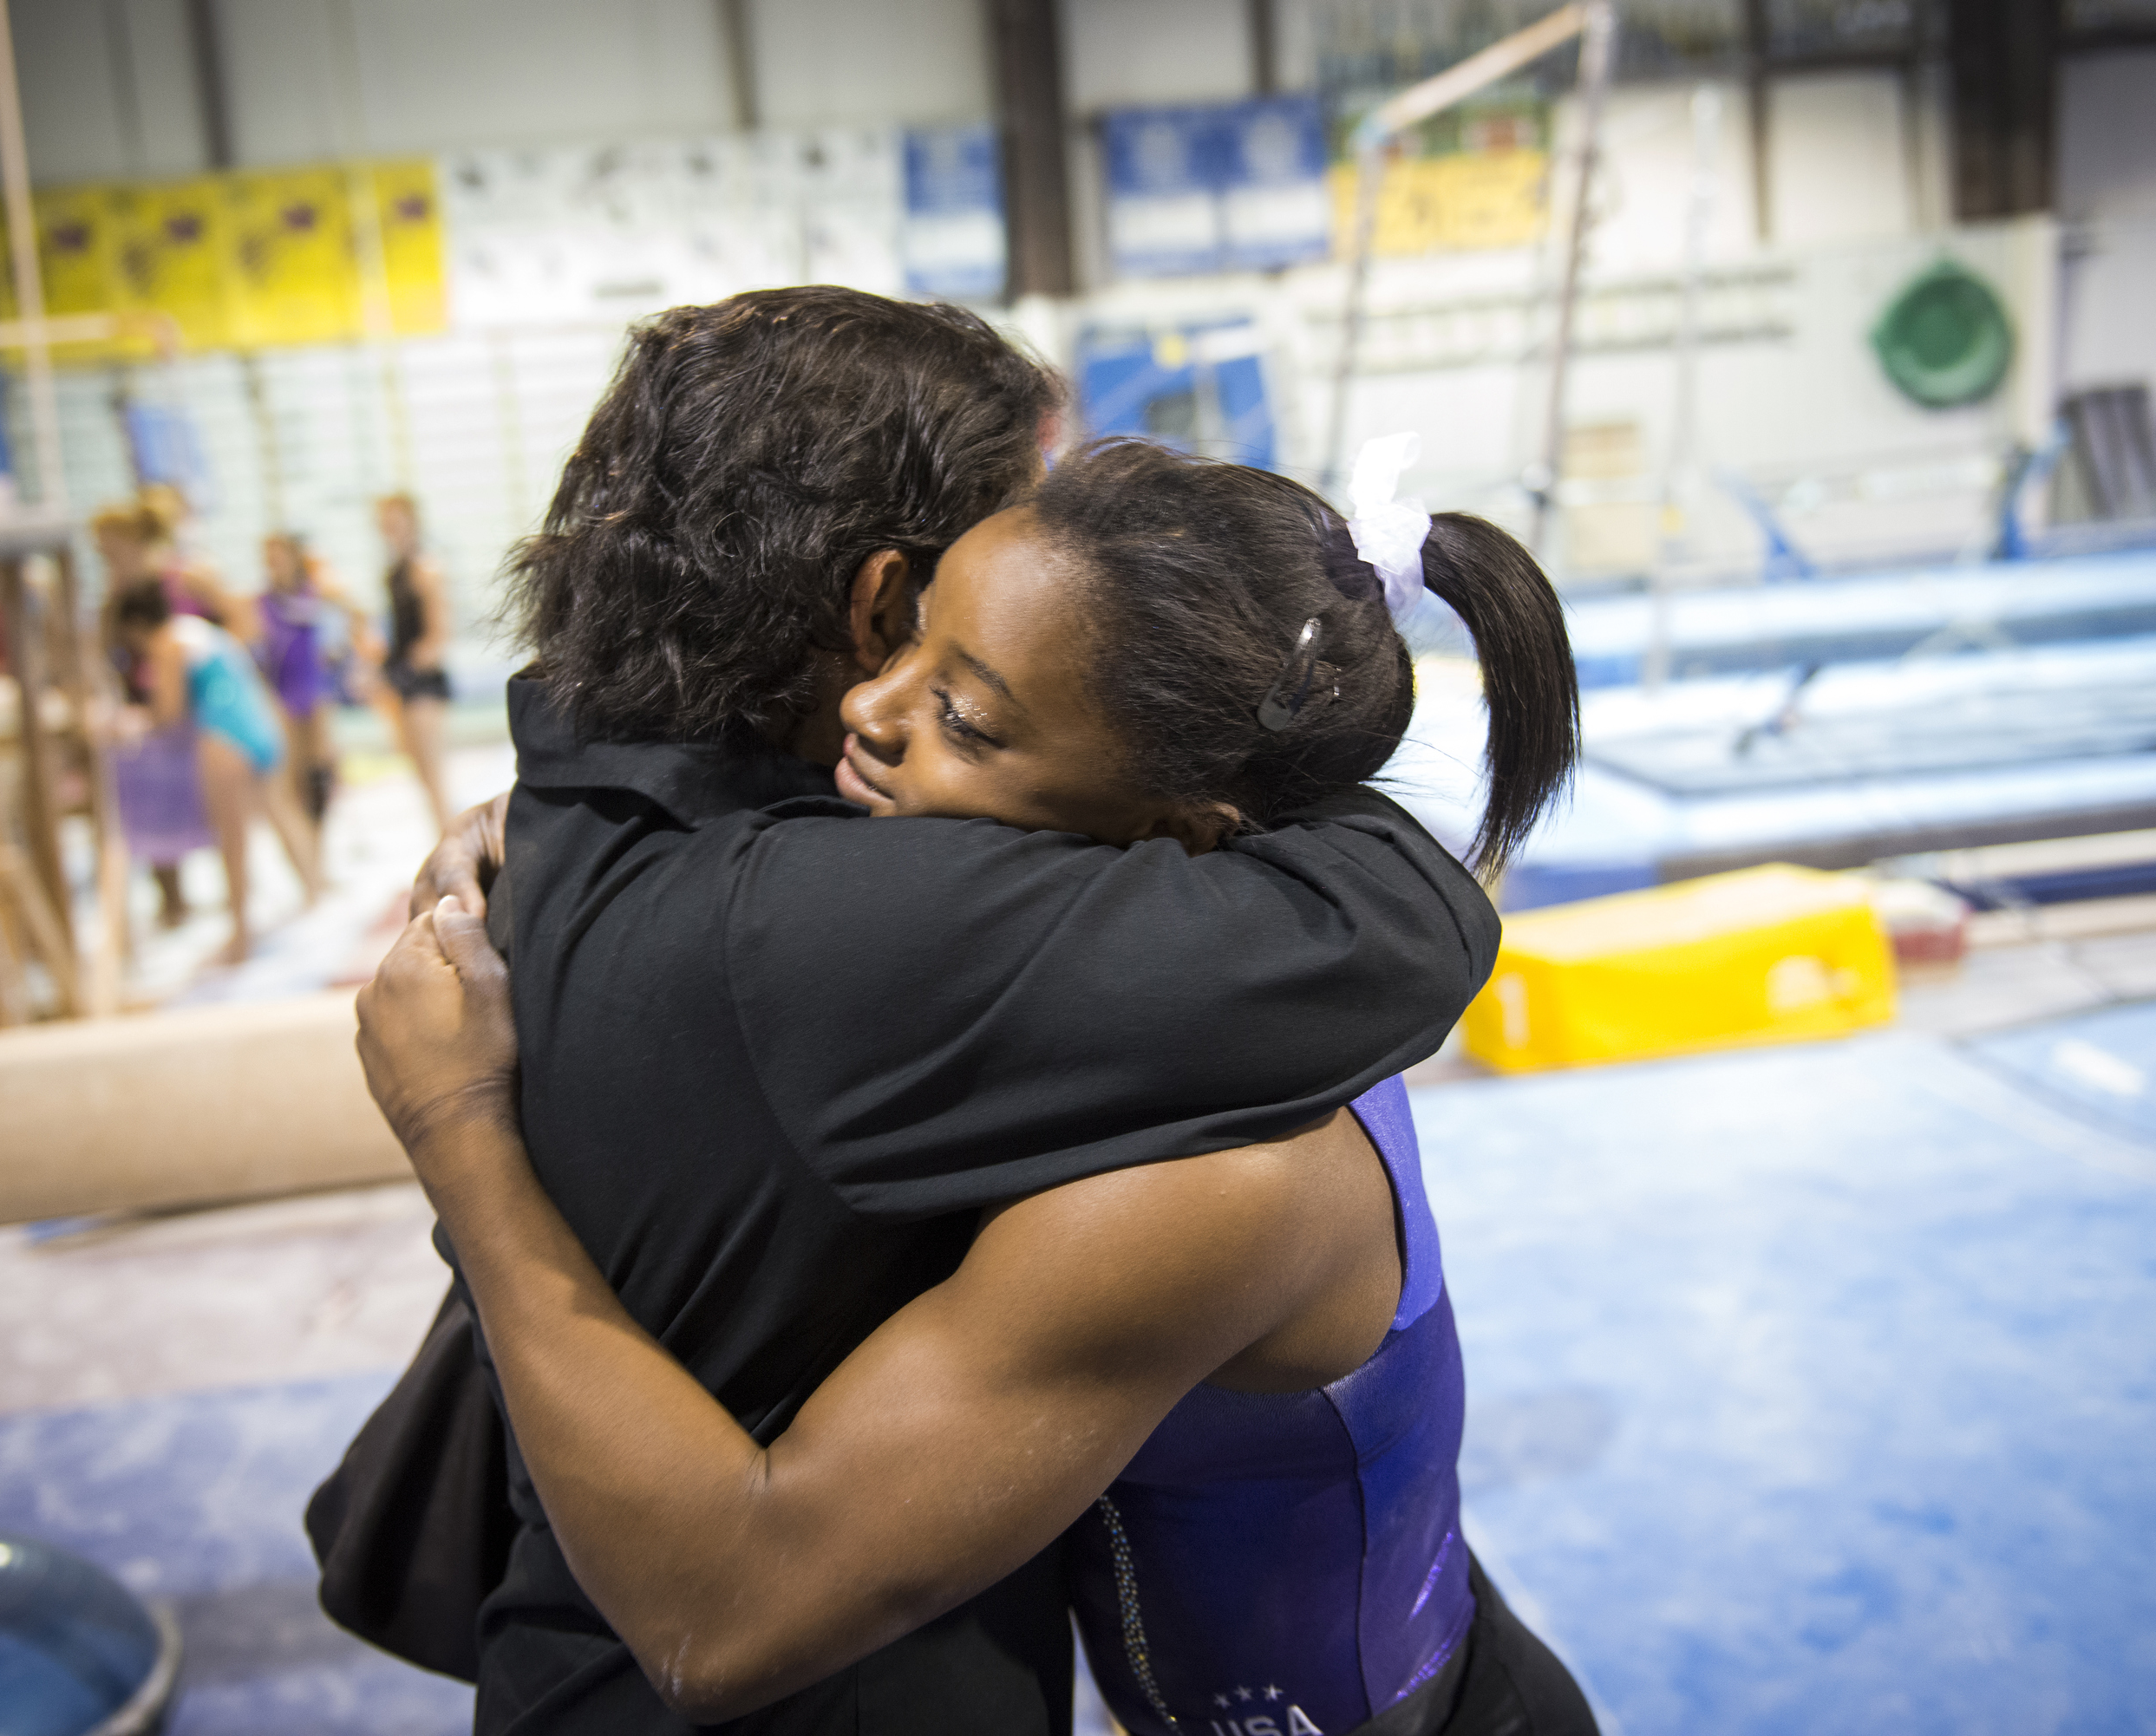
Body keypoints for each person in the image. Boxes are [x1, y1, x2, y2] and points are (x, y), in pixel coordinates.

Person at [339, 290, 1521, 1736]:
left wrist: (468, 1125)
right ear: (879, 601)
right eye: (939, 639)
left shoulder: (578, 806)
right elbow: (1406, 910)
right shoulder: (854, 928)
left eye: (973, 703)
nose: (884, 715)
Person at [112, 582, 323, 965]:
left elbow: (169, 715)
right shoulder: (199, 630)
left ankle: (242, 934)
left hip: (224, 738)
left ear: (135, 625)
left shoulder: (167, 644)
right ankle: (314, 893)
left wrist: (128, 723)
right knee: (280, 813)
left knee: (233, 841)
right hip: (260, 727)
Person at [94, 500, 218, 929]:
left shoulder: (180, 578)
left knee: (210, 804)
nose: (102, 555)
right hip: (145, 703)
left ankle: (230, 901)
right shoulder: (113, 596)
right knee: (149, 805)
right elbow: (109, 650)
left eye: (107, 546)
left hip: (195, 700)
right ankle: (173, 900)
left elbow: (228, 619)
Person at [256, 531, 369, 825]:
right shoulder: (263, 601)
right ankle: (307, 842)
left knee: (321, 770)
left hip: (316, 686)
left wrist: (346, 654)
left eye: (280, 555)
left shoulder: (317, 591)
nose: (274, 562)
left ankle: (319, 836)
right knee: (294, 774)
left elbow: (358, 614)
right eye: (270, 557)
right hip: (283, 688)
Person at [376, 492, 453, 826]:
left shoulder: (426, 568)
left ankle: (450, 842)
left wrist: (408, 669)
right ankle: (442, 836)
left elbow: (438, 634)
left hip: (422, 680)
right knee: (418, 770)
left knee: (433, 773)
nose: (389, 526)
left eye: (395, 518)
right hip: (401, 676)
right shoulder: (393, 571)